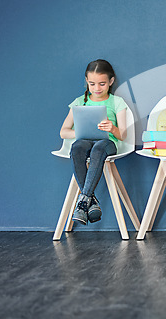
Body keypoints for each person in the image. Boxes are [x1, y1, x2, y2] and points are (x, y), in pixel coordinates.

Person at [59, 59, 128, 225]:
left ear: (111, 82)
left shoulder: (116, 102)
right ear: (86, 82)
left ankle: (83, 200)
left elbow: (123, 135)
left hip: (107, 143)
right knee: (77, 148)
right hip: (84, 141)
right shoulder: (79, 102)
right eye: (92, 84)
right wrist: (80, 132)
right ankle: (90, 201)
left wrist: (112, 128)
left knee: (98, 148)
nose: (97, 88)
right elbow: (63, 132)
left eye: (102, 84)